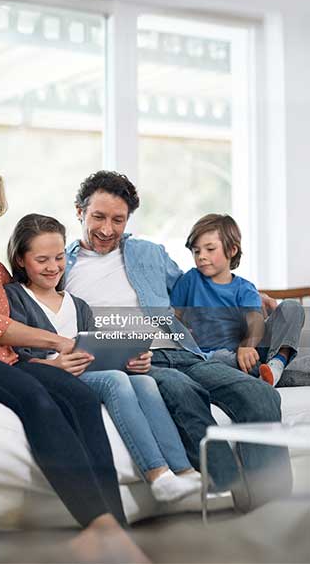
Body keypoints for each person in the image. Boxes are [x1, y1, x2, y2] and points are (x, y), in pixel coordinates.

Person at [0, 159, 150, 564]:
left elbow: (18, 322)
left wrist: (52, 361)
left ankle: (115, 531)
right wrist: (59, 341)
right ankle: (99, 527)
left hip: (2, 363)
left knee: (79, 397)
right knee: (34, 395)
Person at [65, 170, 293, 511]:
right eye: (98, 217)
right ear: (79, 211)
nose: (107, 229)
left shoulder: (147, 252)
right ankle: (234, 492)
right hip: (137, 362)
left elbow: (195, 284)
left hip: (182, 350)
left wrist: (247, 293)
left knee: (258, 394)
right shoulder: (60, 265)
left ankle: (273, 508)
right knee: (184, 393)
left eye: (118, 219)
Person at [5, 213, 201, 504]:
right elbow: (13, 358)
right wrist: (54, 365)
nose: (53, 267)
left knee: (145, 382)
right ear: (21, 260)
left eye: (59, 258)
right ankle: (158, 476)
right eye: (42, 259)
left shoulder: (78, 305)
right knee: (115, 380)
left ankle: (184, 471)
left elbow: (96, 349)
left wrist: (134, 361)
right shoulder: (14, 297)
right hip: (53, 375)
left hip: (89, 372)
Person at [172, 213, 305, 387]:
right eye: (196, 251)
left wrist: (247, 345)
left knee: (292, 307)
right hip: (223, 358)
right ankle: (270, 375)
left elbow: (256, 321)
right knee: (219, 359)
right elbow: (173, 315)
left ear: (232, 250)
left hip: (252, 351)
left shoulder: (245, 288)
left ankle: (277, 364)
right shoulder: (190, 280)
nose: (201, 256)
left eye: (210, 249)